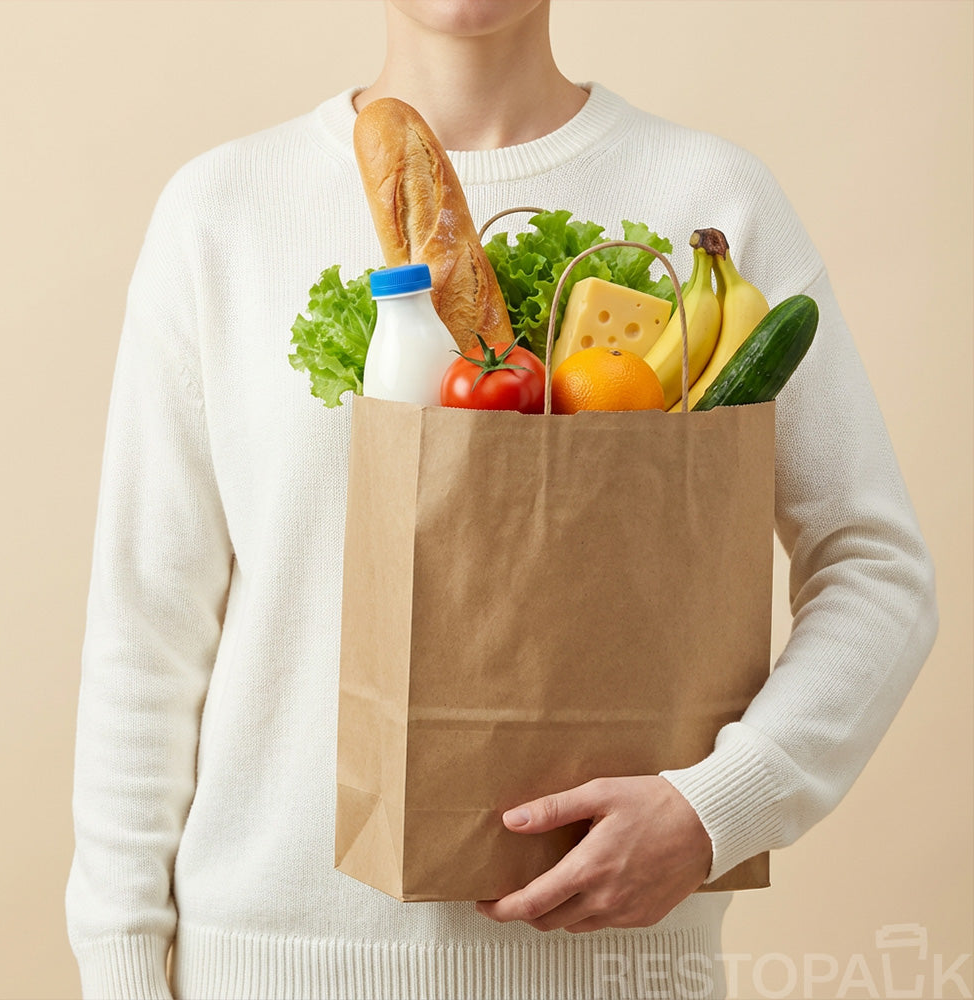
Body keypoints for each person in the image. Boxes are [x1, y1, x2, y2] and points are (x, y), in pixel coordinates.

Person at [65, 1, 938, 997]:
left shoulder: (708, 204)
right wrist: (121, 965)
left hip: (615, 971)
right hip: (268, 965)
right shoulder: (222, 212)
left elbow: (878, 569)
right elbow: (147, 622)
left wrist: (714, 808)